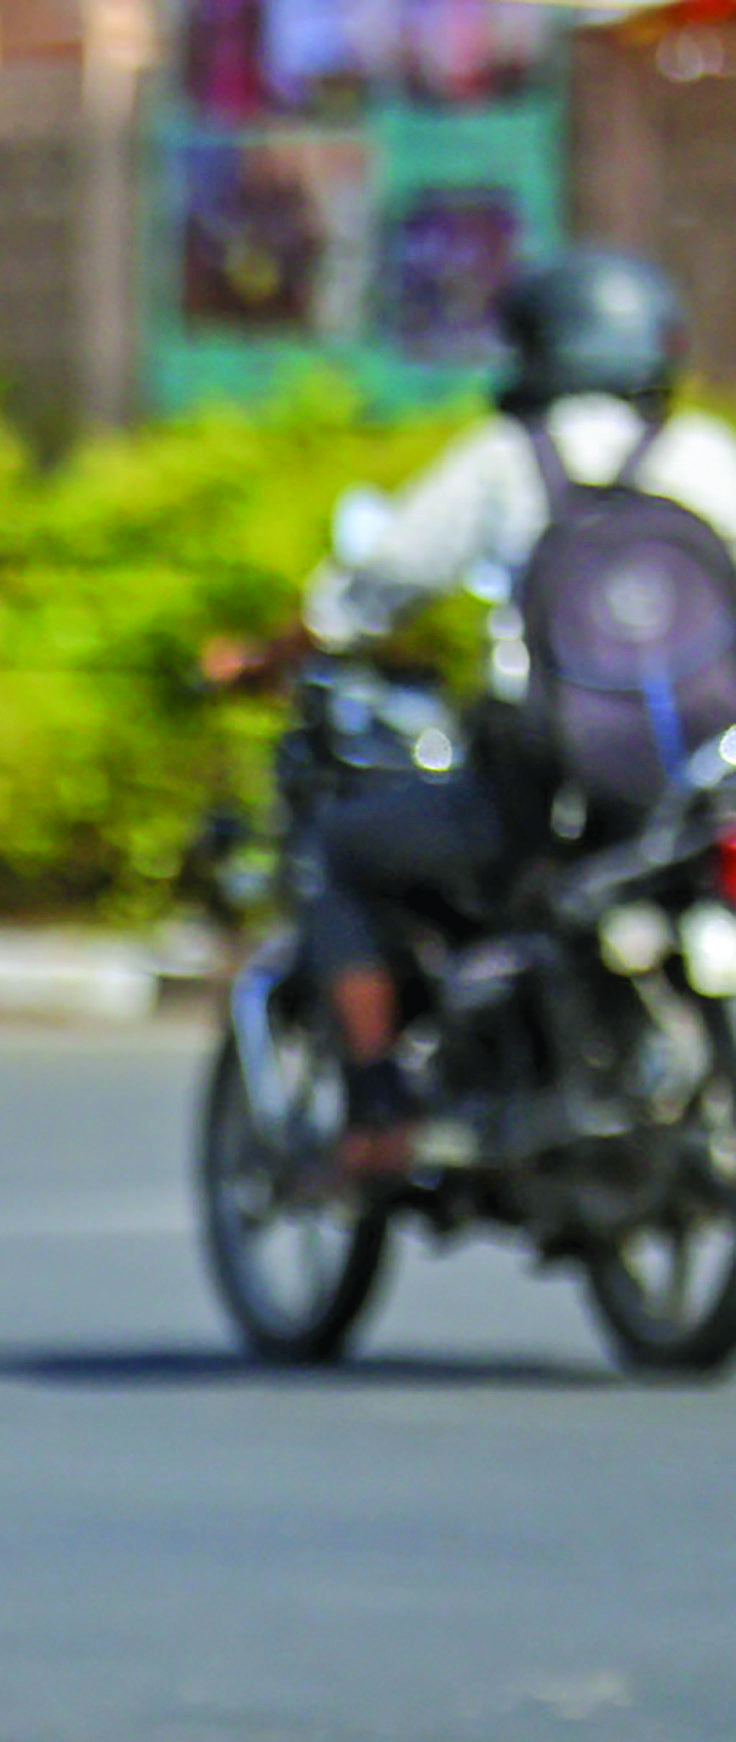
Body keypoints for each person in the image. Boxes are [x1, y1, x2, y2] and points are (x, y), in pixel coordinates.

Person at [248, 249, 736, 1176]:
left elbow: (373, 587)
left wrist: (266, 655)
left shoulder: (510, 461)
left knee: (340, 852)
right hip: (691, 793)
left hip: (544, 794)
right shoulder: (707, 456)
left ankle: (378, 1108)